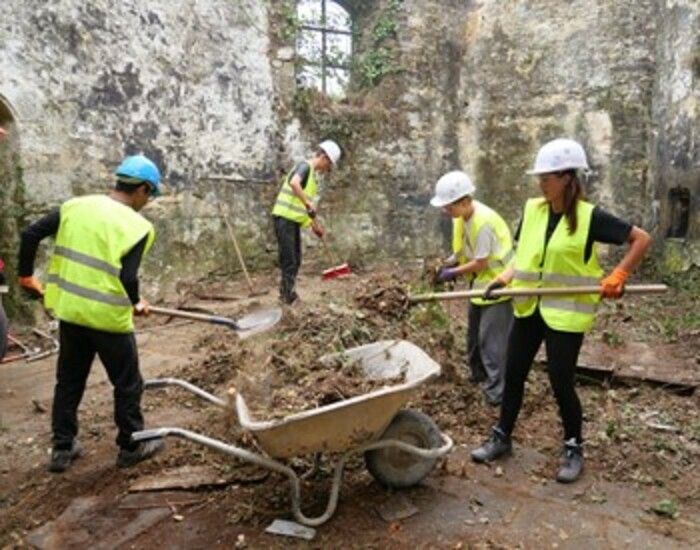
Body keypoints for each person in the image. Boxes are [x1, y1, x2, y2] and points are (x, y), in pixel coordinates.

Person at [470, 138, 652, 483]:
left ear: (568, 177)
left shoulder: (590, 217)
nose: (541, 183)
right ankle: (502, 436)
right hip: (528, 307)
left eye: (548, 177)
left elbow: (641, 238)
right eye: (539, 177)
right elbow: (523, 256)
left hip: (565, 315)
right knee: (514, 373)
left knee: (560, 381)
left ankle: (573, 446)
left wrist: (619, 274)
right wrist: (502, 279)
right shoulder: (533, 210)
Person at [18, 154, 167, 473]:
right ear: (141, 189)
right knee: (128, 383)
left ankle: (62, 448)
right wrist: (137, 301)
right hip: (108, 319)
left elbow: (30, 234)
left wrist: (25, 276)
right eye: (150, 195)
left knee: (69, 381)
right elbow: (127, 278)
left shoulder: (76, 206)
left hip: (70, 313)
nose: (148, 202)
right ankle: (131, 445)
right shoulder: (138, 226)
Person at [430, 171, 514, 405]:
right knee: (474, 339)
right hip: (479, 286)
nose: (447, 212)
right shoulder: (462, 219)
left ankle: (497, 393)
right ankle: (479, 379)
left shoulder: (484, 222)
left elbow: (481, 262)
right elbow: (461, 252)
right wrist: (444, 264)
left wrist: (452, 274)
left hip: (497, 286)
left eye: (449, 206)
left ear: (465, 201)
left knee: (491, 343)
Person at [271, 140, 342, 304]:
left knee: (296, 258)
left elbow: (305, 210)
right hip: (284, 218)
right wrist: (308, 203)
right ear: (324, 157)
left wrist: (314, 226)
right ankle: (288, 296)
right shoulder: (305, 167)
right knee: (290, 260)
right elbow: (294, 183)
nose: (328, 169)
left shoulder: (312, 177)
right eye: (329, 164)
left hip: (292, 221)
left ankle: (287, 292)